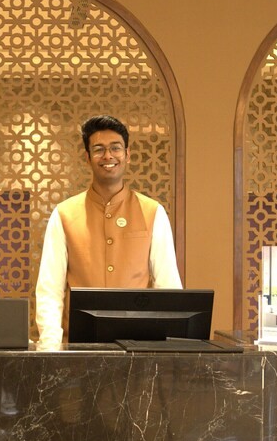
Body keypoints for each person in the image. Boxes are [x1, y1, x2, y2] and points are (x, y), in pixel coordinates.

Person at [35, 115, 182, 346]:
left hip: (138, 347)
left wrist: (169, 350)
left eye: (115, 148)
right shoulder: (64, 214)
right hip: (78, 347)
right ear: (87, 157)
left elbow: (168, 287)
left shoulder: (153, 212)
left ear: (127, 154)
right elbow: (50, 291)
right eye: (99, 149)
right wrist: (51, 349)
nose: (108, 156)